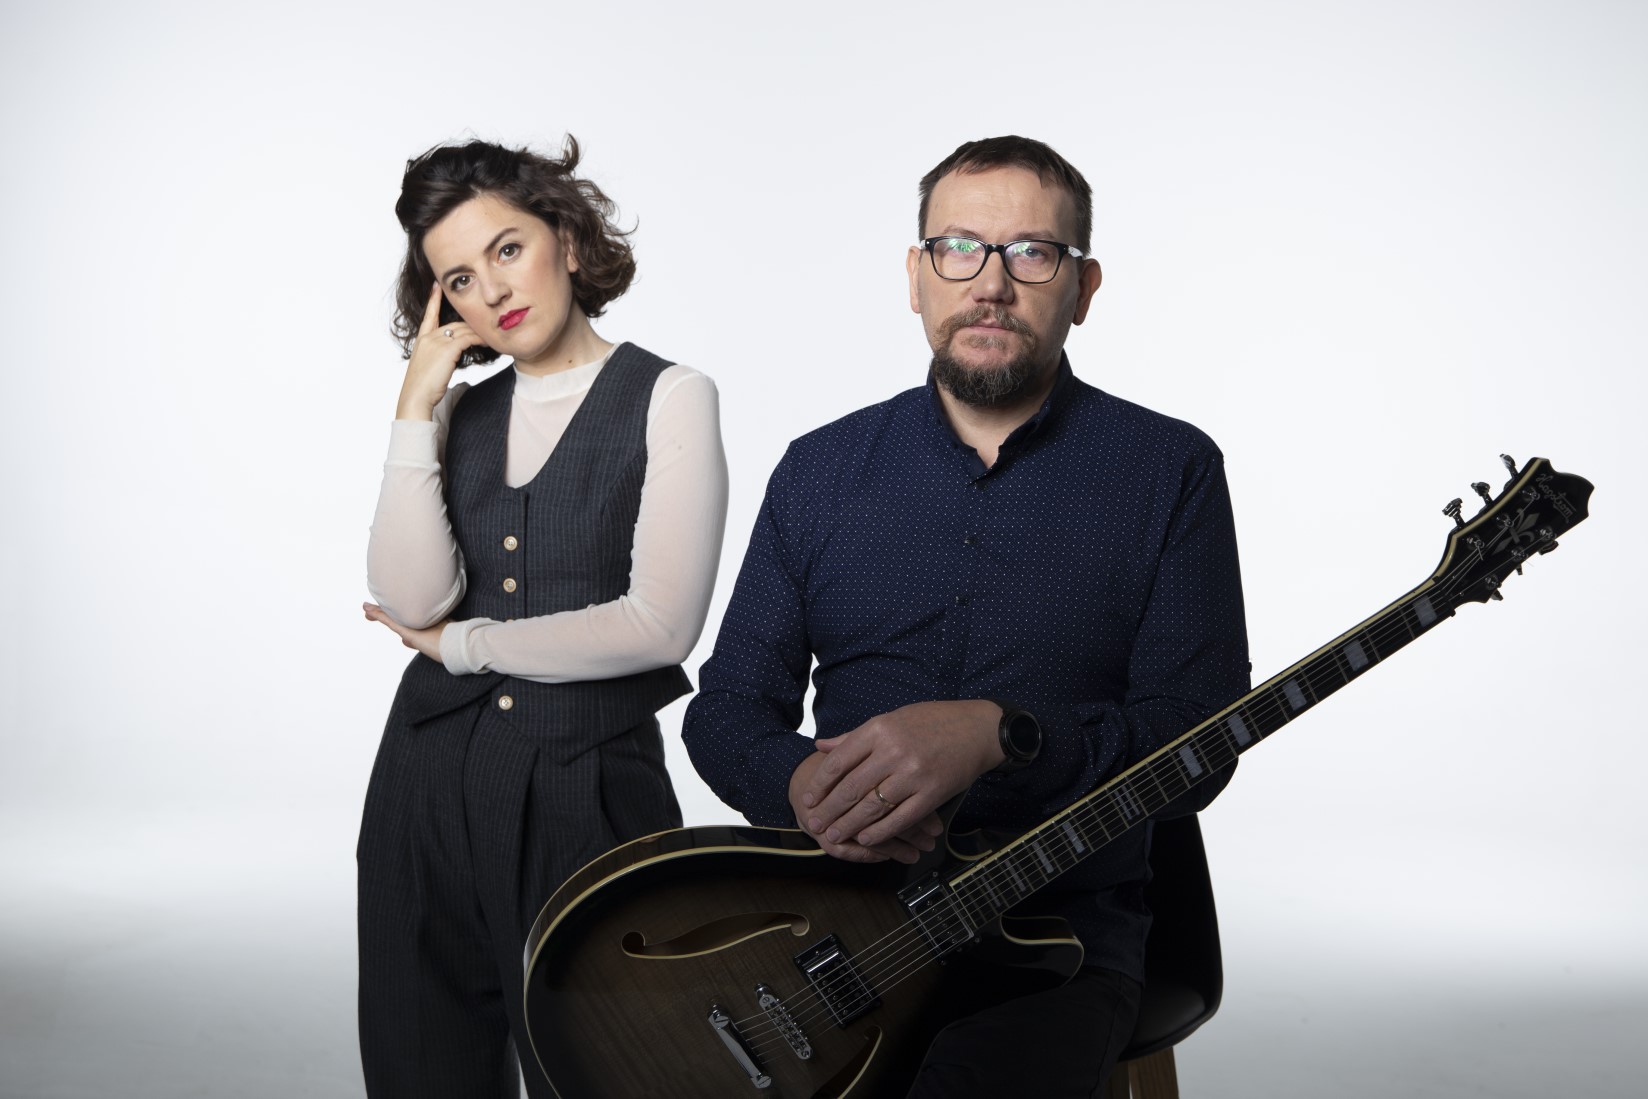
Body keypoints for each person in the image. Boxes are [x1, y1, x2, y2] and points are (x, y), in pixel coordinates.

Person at [682, 135, 1248, 1097]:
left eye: (1032, 252)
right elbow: (727, 708)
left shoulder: (1171, 469)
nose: (991, 284)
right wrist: (799, 783)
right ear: (916, 276)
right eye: (958, 248)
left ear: (1084, 287)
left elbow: (1200, 739)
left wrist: (999, 735)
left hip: (1058, 938)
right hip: (827, 934)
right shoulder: (819, 469)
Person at [357, 136, 728, 1098]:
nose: (492, 291)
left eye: (507, 249)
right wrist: (415, 406)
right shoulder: (457, 413)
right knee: (420, 1064)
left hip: (585, 789)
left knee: (609, 1065)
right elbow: (412, 598)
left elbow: (660, 624)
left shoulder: (670, 396)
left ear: (565, 236)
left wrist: (464, 646)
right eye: (459, 279)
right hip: (423, 788)